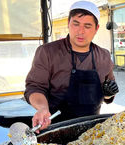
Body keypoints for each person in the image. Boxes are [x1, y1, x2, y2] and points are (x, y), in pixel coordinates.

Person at [24, 1, 119, 132]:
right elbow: (35, 87)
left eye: (87, 26)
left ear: (96, 28)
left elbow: (108, 94)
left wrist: (109, 94)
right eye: (76, 24)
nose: (80, 31)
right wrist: (42, 108)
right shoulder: (48, 52)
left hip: (92, 130)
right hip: (54, 128)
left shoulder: (103, 56)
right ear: (68, 24)